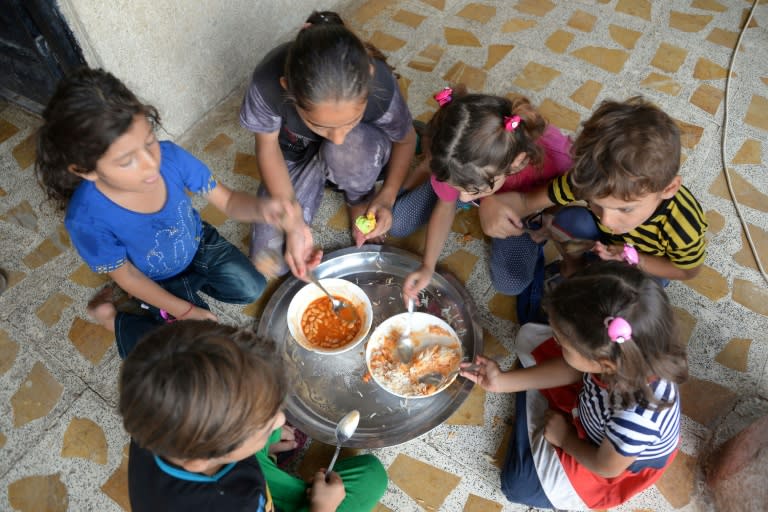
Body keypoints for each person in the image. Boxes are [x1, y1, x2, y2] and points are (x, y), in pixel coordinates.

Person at [36, 67, 320, 358]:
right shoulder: (86, 219)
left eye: (149, 142)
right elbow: (129, 276)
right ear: (86, 170)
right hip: (152, 279)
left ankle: (184, 294)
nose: (150, 164)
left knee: (252, 288)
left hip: (198, 243)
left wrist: (266, 209)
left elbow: (230, 201)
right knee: (188, 346)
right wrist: (185, 310)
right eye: (126, 161)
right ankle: (111, 317)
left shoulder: (170, 156)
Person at [461, 261, 686, 510]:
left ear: (602, 362)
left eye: (562, 343)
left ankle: (539, 414)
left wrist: (565, 439)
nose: (557, 342)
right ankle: (535, 408)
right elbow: (574, 369)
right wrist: (502, 382)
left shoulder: (636, 418)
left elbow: (606, 466)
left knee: (517, 485)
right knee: (526, 337)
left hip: (602, 456)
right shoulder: (620, 356)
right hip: (588, 407)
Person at [119, 320, 388, 511]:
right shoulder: (233, 503)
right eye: (264, 423)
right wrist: (322, 507)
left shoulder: (159, 418)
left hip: (239, 467)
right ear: (204, 459)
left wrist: (263, 439)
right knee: (371, 476)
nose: (282, 420)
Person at [240, 10, 417, 267]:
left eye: (349, 121)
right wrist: (294, 222)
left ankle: (357, 198)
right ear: (287, 86)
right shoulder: (265, 85)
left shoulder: (380, 85)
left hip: (359, 151)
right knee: (270, 262)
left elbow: (406, 140)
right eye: (319, 125)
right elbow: (267, 148)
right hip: (295, 155)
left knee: (346, 147)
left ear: (368, 75)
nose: (336, 138)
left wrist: (387, 196)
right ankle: (326, 177)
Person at [480, 96, 708, 282]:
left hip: (648, 264)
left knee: (641, 291)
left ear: (669, 188)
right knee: (569, 220)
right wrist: (491, 203)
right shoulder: (589, 179)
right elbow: (526, 201)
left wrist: (637, 260)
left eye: (625, 210)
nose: (607, 220)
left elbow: (687, 271)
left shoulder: (683, 224)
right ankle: (575, 271)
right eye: (596, 204)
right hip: (603, 246)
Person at [392, 87, 573, 300]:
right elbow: (446, 205)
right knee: (397, 222)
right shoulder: (459, 159)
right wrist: (427, 265)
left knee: (511, 283)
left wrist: (547, 216)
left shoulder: (559, 159)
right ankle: (431, 169)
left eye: (474, 191)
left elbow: (563, 192)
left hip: (520, 211)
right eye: (462, 190)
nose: (464, 198)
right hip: (468, 175)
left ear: (516, 162)